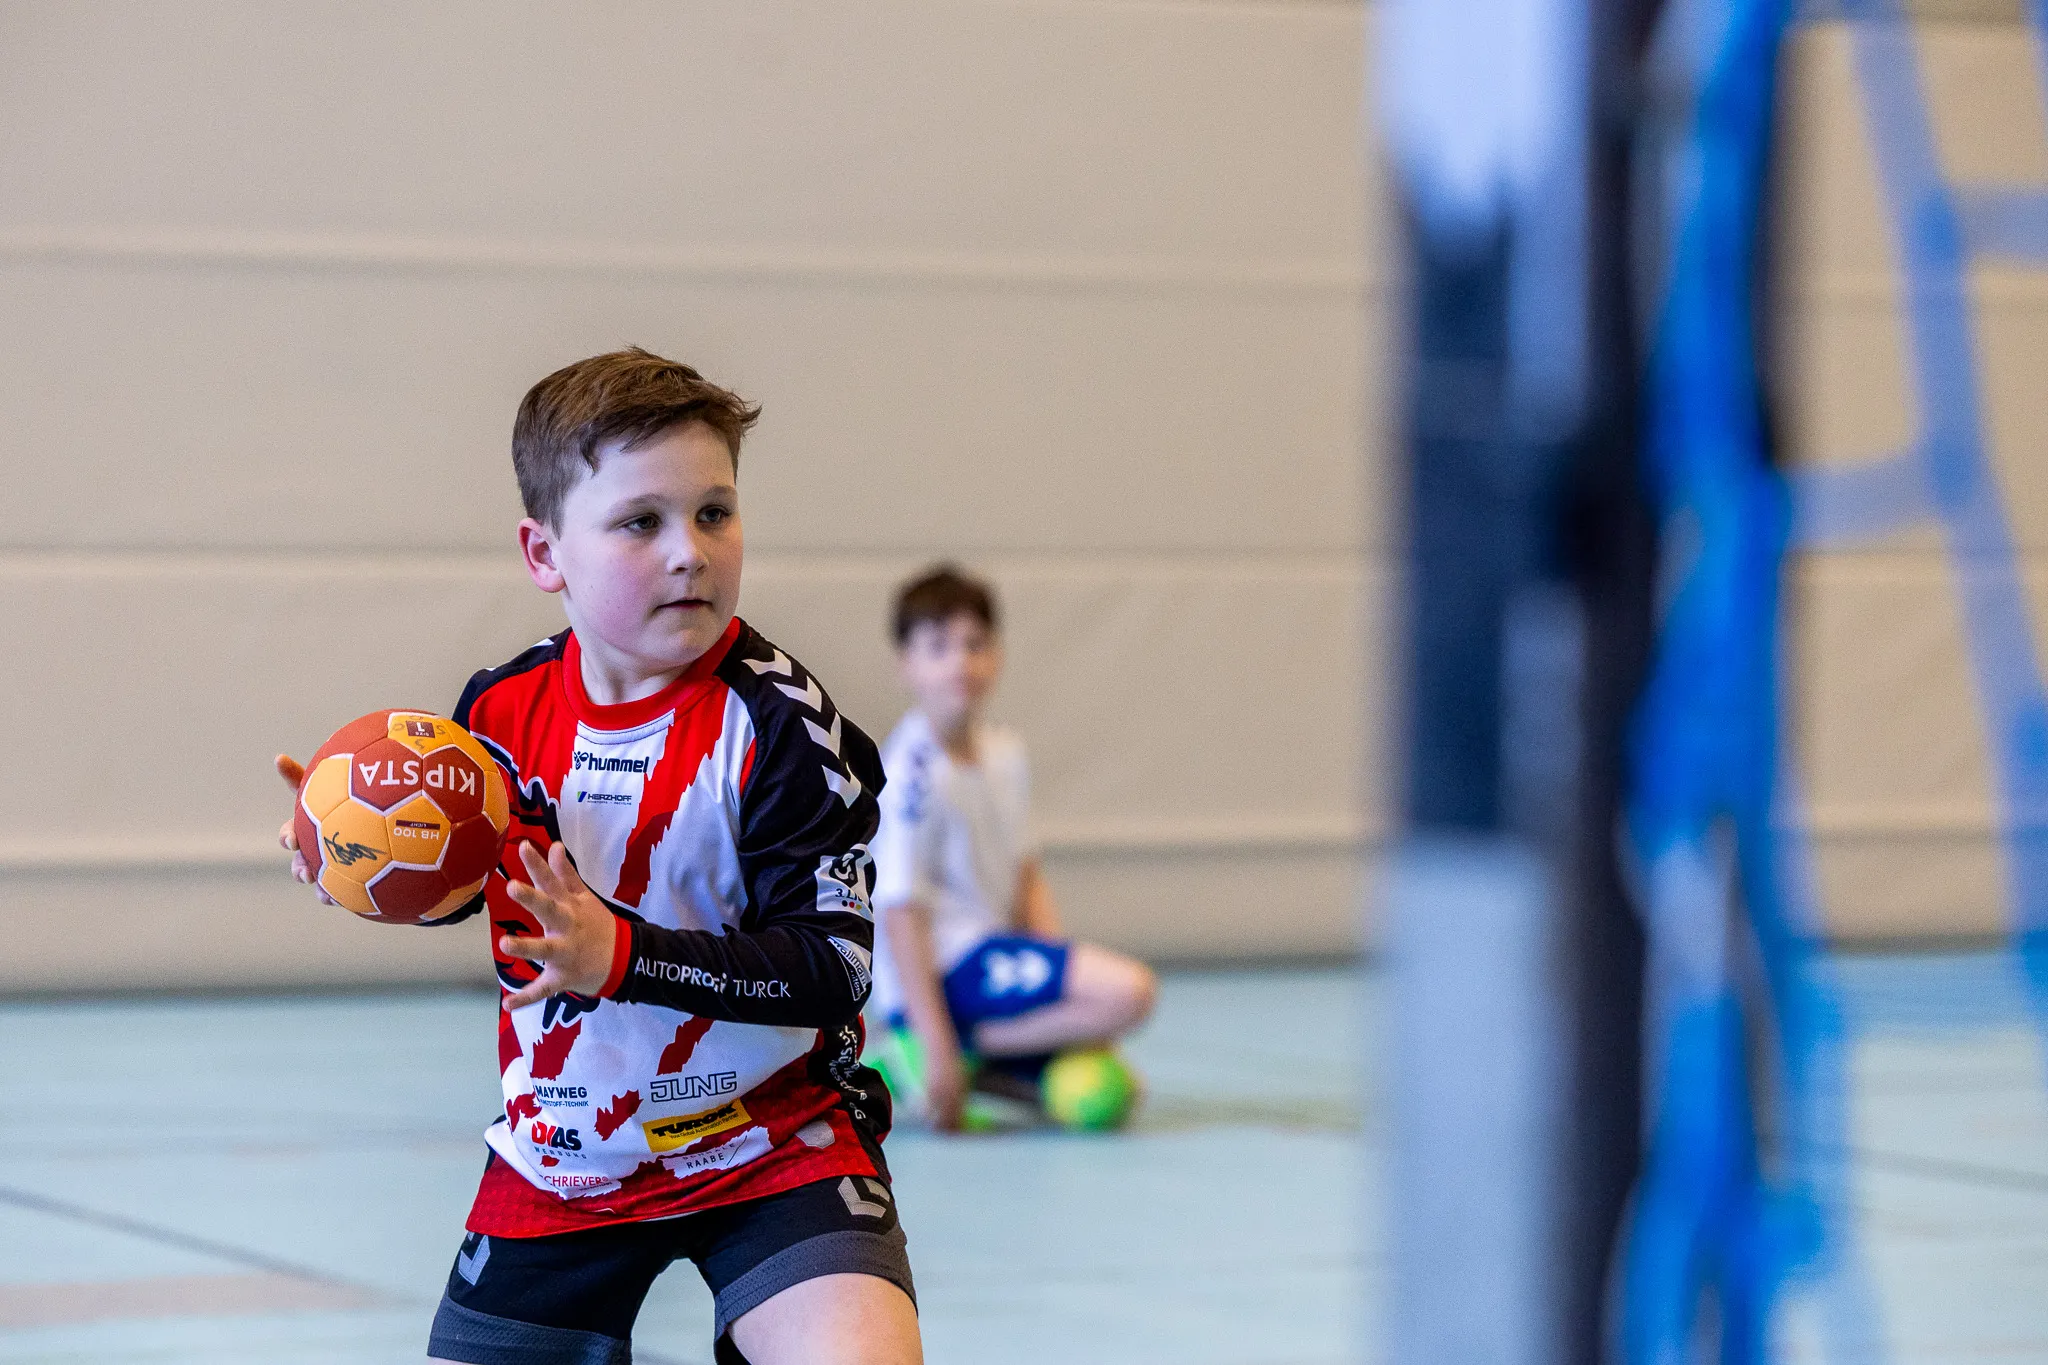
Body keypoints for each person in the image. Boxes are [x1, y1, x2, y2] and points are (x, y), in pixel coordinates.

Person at [273, 349, 920, 1365]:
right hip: (562, 1158)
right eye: (640, 522)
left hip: (769, 1144)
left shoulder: (782, 728)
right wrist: (366, 863)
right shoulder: (495, 715)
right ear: (544, 553)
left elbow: (834, 965)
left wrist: (620, 954)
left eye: (715, 513)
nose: (689, 553)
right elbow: (480, 886)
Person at [865, 565, 1157, 1131]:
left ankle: (983, 1061)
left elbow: (1026, 878)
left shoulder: (1006, 756)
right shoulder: (909, 774)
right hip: (945, 970)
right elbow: (901, 914)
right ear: (907, 664)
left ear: (996, 655)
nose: (960, 662)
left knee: (1109, 1094)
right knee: (1131, 993)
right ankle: (936, 1047)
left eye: (975, 644)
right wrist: (939, 1040)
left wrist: (1068, 1006)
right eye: (938, 646)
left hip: (993, 959)